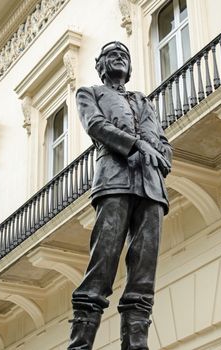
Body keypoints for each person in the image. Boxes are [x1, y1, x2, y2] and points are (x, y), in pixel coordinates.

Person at [68, 41, 172, 350]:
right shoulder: (89, 93)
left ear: (130, 67)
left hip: (151, 187)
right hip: (114, 182)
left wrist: (163, 151)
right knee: (101, 268)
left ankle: (136, 345)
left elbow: (161, 140)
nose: (119, 57)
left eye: (124, 55)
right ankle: (80, 345)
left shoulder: (143, 101)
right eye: (112, 54)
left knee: (143, 275)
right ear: (100, 65)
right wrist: (137, 144)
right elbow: (96, 125)